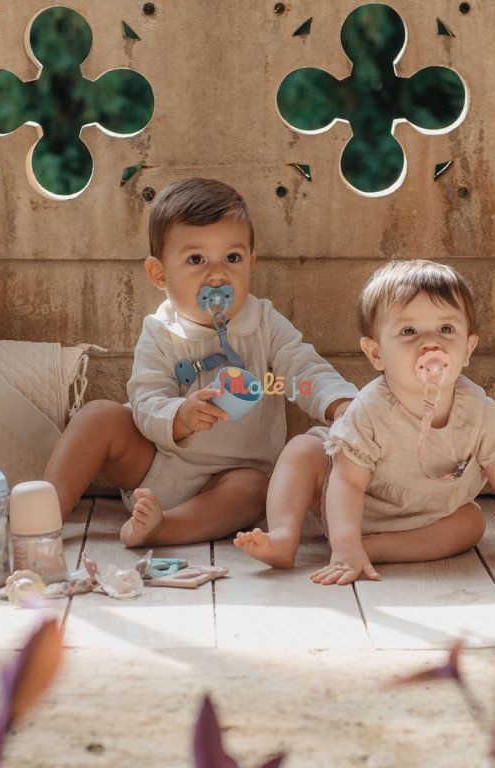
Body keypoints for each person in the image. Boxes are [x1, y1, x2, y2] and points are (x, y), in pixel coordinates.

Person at [43, 178, 358, 546]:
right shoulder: (161, 331)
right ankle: (44, 514)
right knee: (97, 417)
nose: (217, 275)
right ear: (159, 274)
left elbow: (304, 371)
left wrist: (340, 404)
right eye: (196, 260)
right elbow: (145, 399)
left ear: (250, 262)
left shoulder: (264, 323)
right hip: (154, 463)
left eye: (232, 258)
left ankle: (165, 527)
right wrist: (179, 416)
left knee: (257, 489)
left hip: (228, 480)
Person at [235, 259, 495, 584]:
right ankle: (285, 536)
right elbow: (348, 482)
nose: (431, 343)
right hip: (347, 507)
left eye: (446, 329)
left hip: (426, 518)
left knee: (472, 523)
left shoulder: (481, 413)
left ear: (468, 348)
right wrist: (344, 544)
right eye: (409, 330)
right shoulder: (368, 411)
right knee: (303, 450)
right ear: (376, 353)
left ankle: (375, 548)